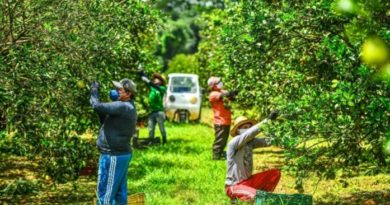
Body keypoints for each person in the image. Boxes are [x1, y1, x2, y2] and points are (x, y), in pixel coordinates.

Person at [90, 78, 137, 205]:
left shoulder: (122, 106)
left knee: (105, 194)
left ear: (128, 93)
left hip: (113, 156)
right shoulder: (127, 106)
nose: (115, 91)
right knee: (120, 193)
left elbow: (96, 106)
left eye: (119, 90)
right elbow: (104, 120)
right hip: (121, 154)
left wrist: (94, 91)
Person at [225, 110, 281, 202]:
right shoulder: (234, 142)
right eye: (245, 127)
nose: (248, 129)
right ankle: (238, 200)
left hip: (248, 182)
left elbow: (268, 141)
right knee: (257, 197)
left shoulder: (250, 142)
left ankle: (255, 196)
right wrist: (267, 121)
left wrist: (283, 133)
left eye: (249, 127)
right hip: (234, 186)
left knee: (275, 173)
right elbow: (249, 134)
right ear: (238, 130)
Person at [207, 76, 238, 160]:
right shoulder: (213, 94)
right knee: (220, 139)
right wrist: (231, 92)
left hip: (226, 120)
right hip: (220, 121)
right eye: (218, 82)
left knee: (224, 139)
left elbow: (230, 96)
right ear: (214, 85)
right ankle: (216, 154)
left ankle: (220, 153)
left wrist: (233, 94)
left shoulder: (221, 91)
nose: (221, 83)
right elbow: (224, 94)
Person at [138, 67, 167, 144]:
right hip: (152, 111)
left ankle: (164, 140)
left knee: (161, 128)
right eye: (155, 79)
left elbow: (153, 85)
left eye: (157, 79)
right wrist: (141, 72)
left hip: (159, 112)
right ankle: (151, 142)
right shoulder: (152, 87)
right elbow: (147, 79)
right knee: (151, 128)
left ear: (161, 81)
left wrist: (149, 82)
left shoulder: (162, 88)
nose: (155, 80)